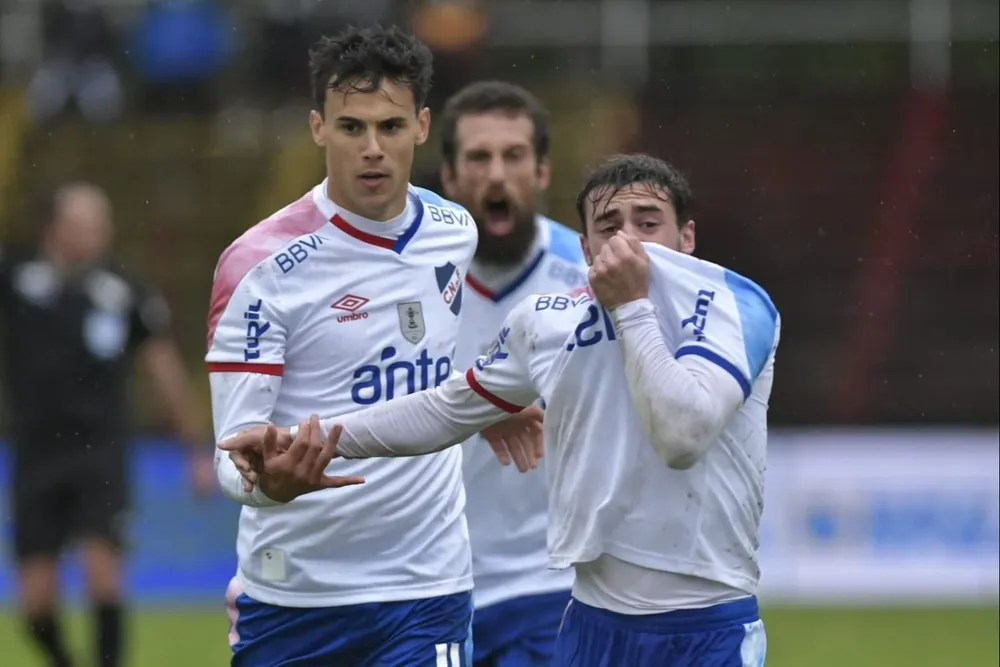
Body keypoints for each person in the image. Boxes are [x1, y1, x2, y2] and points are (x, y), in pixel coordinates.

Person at [224, 153, 780, 667]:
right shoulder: (548, 320)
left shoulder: (736, 304)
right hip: (591, 626)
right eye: (609, 226)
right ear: (585, 249)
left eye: (648, 221)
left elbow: (682, 435)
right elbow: (444, 410)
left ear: (687, 238)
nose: (627, 241)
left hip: (705, 627)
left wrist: (632, 305)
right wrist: (298, 437)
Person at [208, 25, 539, 667]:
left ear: (420, 127)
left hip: (428, 586)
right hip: (295, 595)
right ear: (317, 127)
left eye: (389, 126)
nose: (372, 149)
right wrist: (268, 484)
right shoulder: (258, 266)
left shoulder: (454, 231)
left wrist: (484, 406)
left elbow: (428, 368)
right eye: (351, 127)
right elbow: (233, 455)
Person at [0, 182, 214, 667]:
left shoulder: (125, 291)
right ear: (52, 228)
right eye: (82, 225)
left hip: (100, 452)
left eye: (101, 225)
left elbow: (164, 369)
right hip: (35, 456)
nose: (95, 236)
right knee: (34, 601)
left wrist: (196, 450)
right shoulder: (16, 279)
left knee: (103, 572)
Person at [438, 80, 586, 667]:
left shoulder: (594, 279)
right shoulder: (410, 284)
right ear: (449, 178)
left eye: (514, 155)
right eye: (478, 157)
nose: (496, 174)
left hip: (556, 585)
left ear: (543, 171)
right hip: (436, 585)